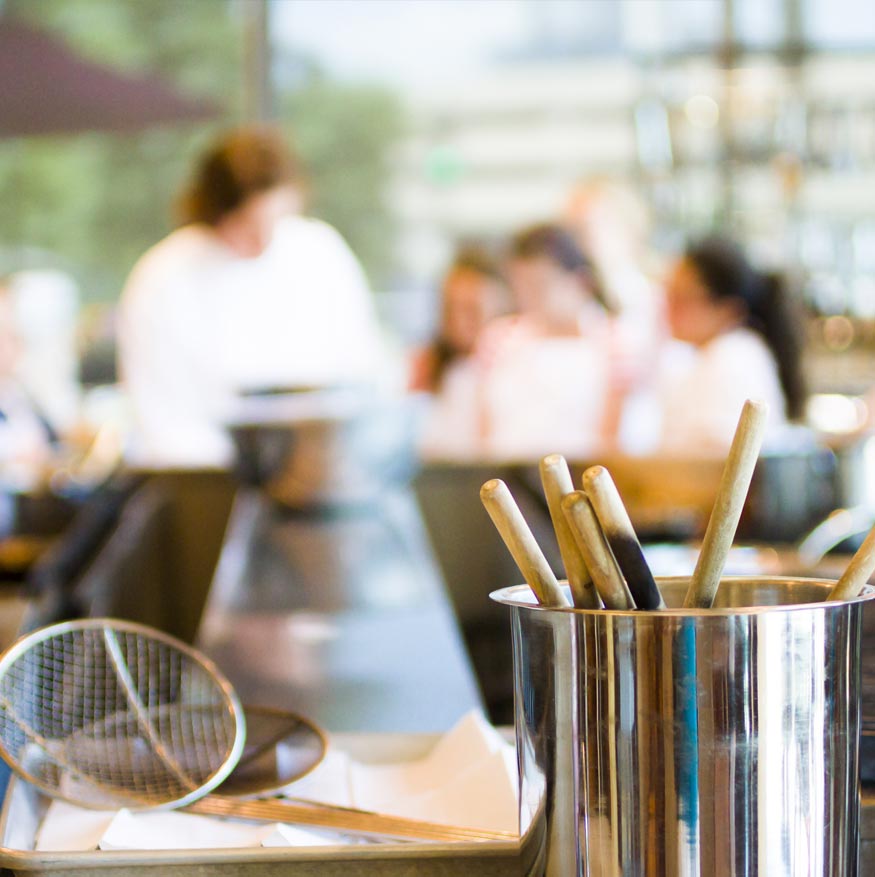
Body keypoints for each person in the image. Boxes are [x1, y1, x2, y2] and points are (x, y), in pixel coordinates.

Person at [117, 126, 390, 468]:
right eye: (247, 226)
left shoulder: (320, 253)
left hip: (321, 472)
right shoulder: (165, 276)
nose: (262, 242)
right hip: (208, 480)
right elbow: (160, 411)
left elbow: (362, 369)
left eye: (274, 223)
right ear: (214, 210)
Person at [474, 224, 626, 460]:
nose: (528, 297)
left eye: (540, 284)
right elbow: (484, 426)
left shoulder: (614, 342)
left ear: (580, 281)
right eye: (520, 285)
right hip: (506, 478)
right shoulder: (499, 337)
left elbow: (613, 437)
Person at [652, 235, 807, 455]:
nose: (668, 308)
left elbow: (717, 459)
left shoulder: (733, 357)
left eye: (682, 297)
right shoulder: (711, 354)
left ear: (728, 309)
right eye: (668, 294)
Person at [410, 247, 511, 458]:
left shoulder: (514, 364)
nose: (459, 322)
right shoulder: (430, 365)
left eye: (471, 309)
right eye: (450, 308)